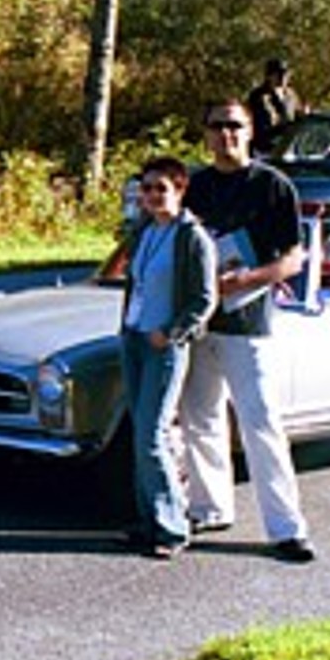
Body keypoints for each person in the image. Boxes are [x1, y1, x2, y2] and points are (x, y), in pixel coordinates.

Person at [177, 98, 317, 563]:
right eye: (217, 126)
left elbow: (293, 258)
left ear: (250, 130)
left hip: (248, 323)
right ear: (205, 133)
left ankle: (286, 528)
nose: (226, 135)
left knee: (261, 422)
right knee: (200, 417)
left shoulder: (272, 186)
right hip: (199, 323)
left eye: (235, 126)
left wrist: (247, 280)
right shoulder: (193, 186)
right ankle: (208, 507)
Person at [116, 157, 218, 559]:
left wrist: (172, 332)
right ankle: (148, 521)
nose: (153, 195)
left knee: (153, 435)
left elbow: (204, 298)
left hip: (164, 345)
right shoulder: (145, 231)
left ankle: (173, 527)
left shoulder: (192, 237)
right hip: (134, 338)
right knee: (139, 435)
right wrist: (128, 328)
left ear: (180, 190)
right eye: (147, 188)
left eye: (162, 188)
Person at [246, 57, 303, 155]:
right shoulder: (258, 97)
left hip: (287, 149)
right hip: (263, 149)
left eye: (286, 74)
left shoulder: (291, 96)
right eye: (278, 74)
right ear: (269, 76)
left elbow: (298, 116)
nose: (283, 78)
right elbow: (261, 126)